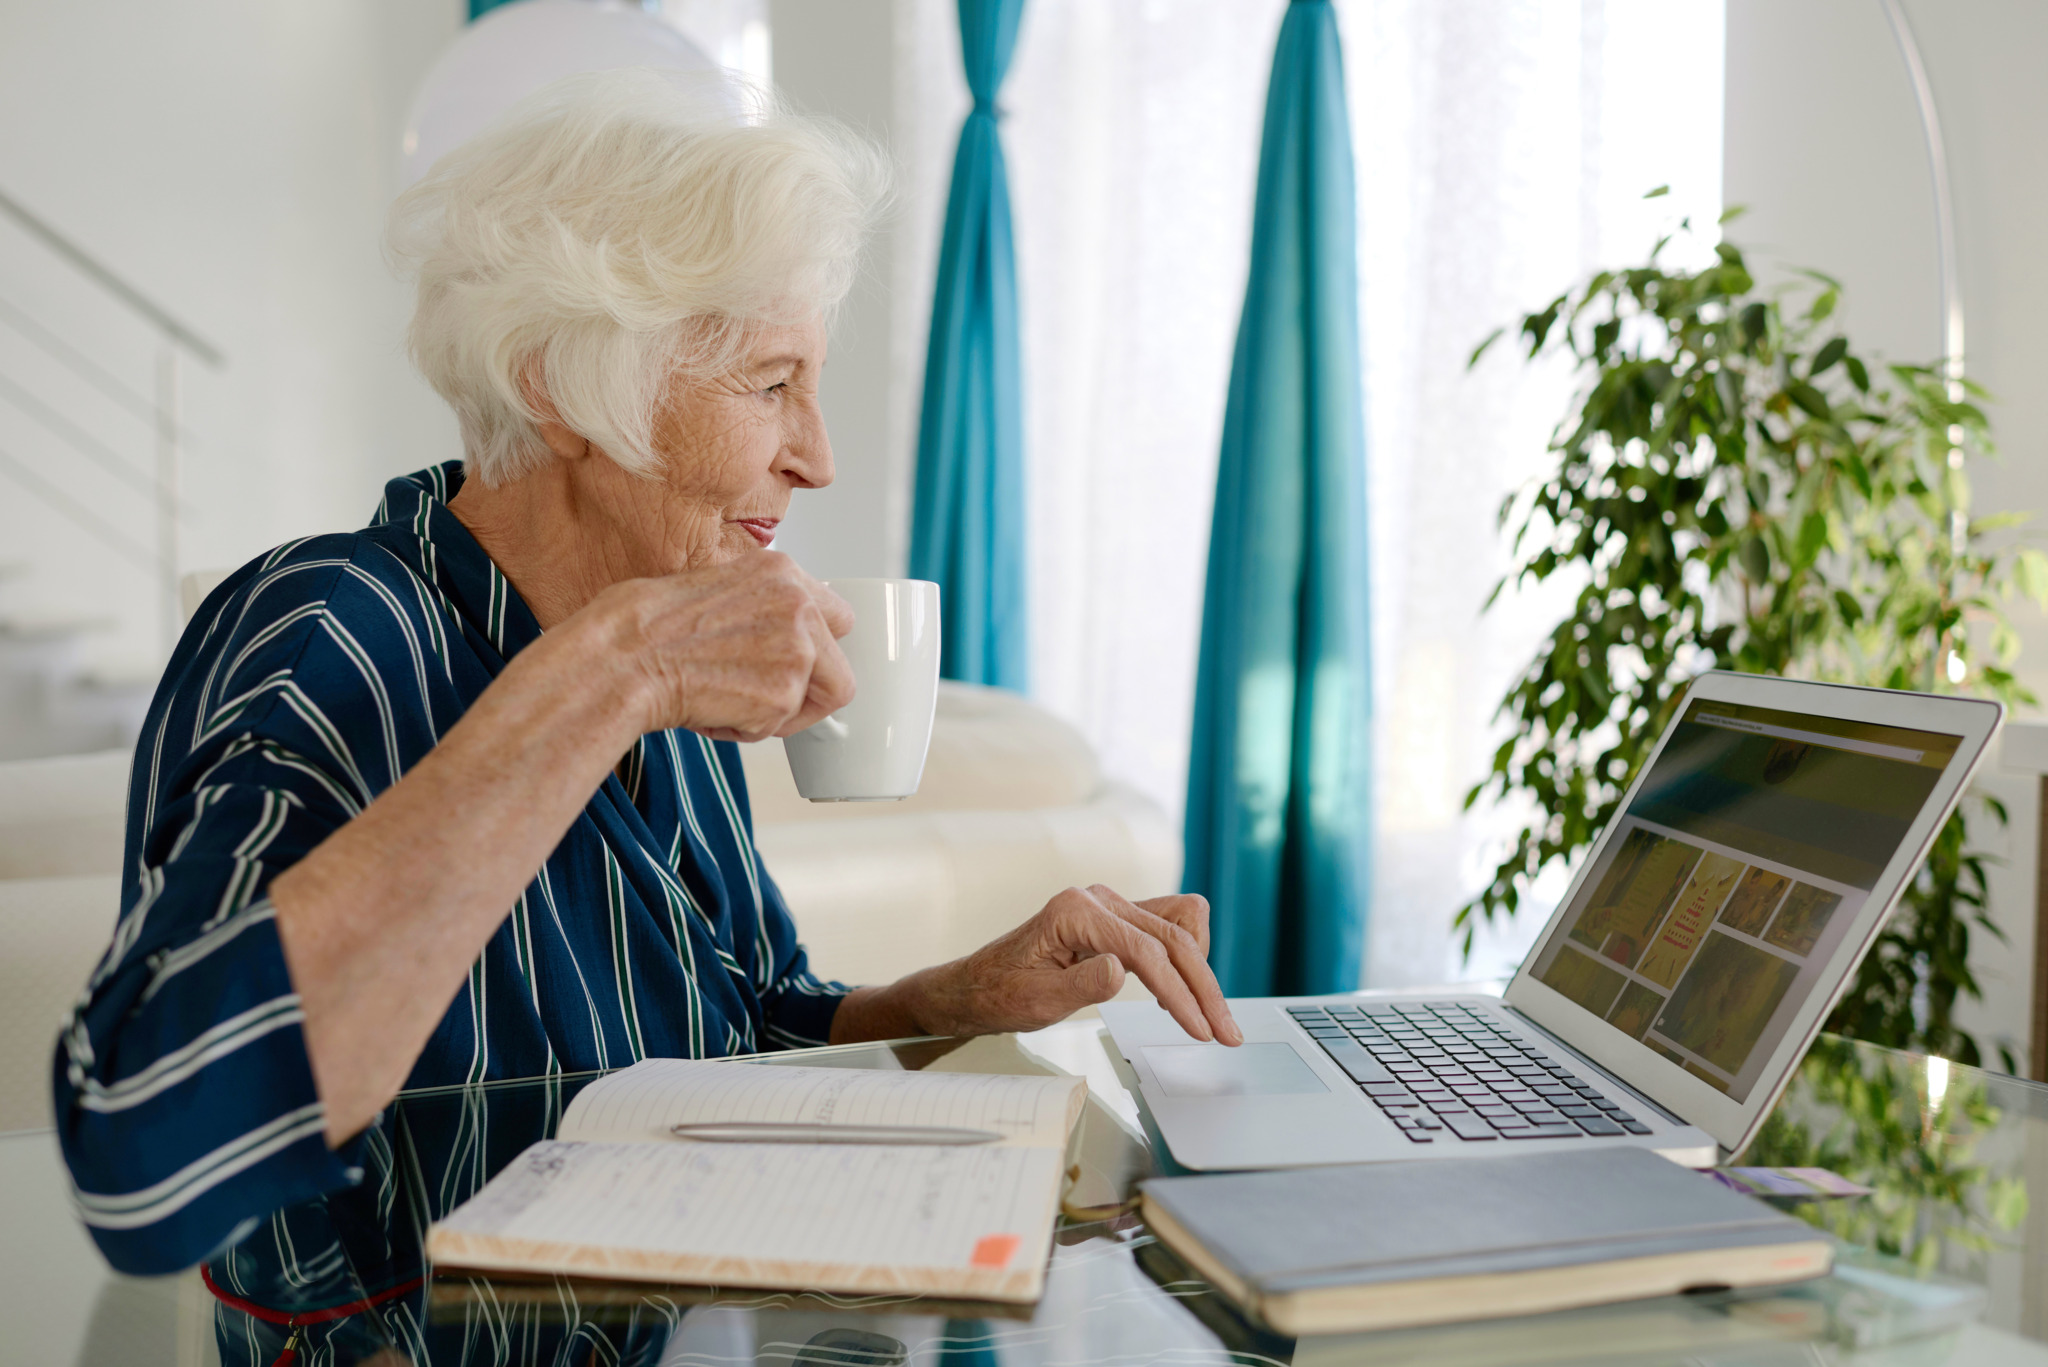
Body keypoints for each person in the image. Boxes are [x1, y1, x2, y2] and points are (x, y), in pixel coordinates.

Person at [54, 67, 1239, 1308]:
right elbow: (146, 1157)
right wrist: (622, 669)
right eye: (770, 382)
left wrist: (958, 996)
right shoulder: (334, 629)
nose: (818, 456)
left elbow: (750, 1024)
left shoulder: (660, 643)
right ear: (559, 387)